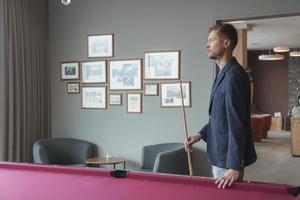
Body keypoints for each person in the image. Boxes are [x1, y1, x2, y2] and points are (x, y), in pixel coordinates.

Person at [185, 23, 257, 189]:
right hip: (220, 154)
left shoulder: (234, 76)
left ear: (226, 43)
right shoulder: (223, 73)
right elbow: (220, 116)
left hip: (227, 160)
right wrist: (200, 134)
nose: (206, 45)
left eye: (211, 40)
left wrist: (234, 166)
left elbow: (237, 124)